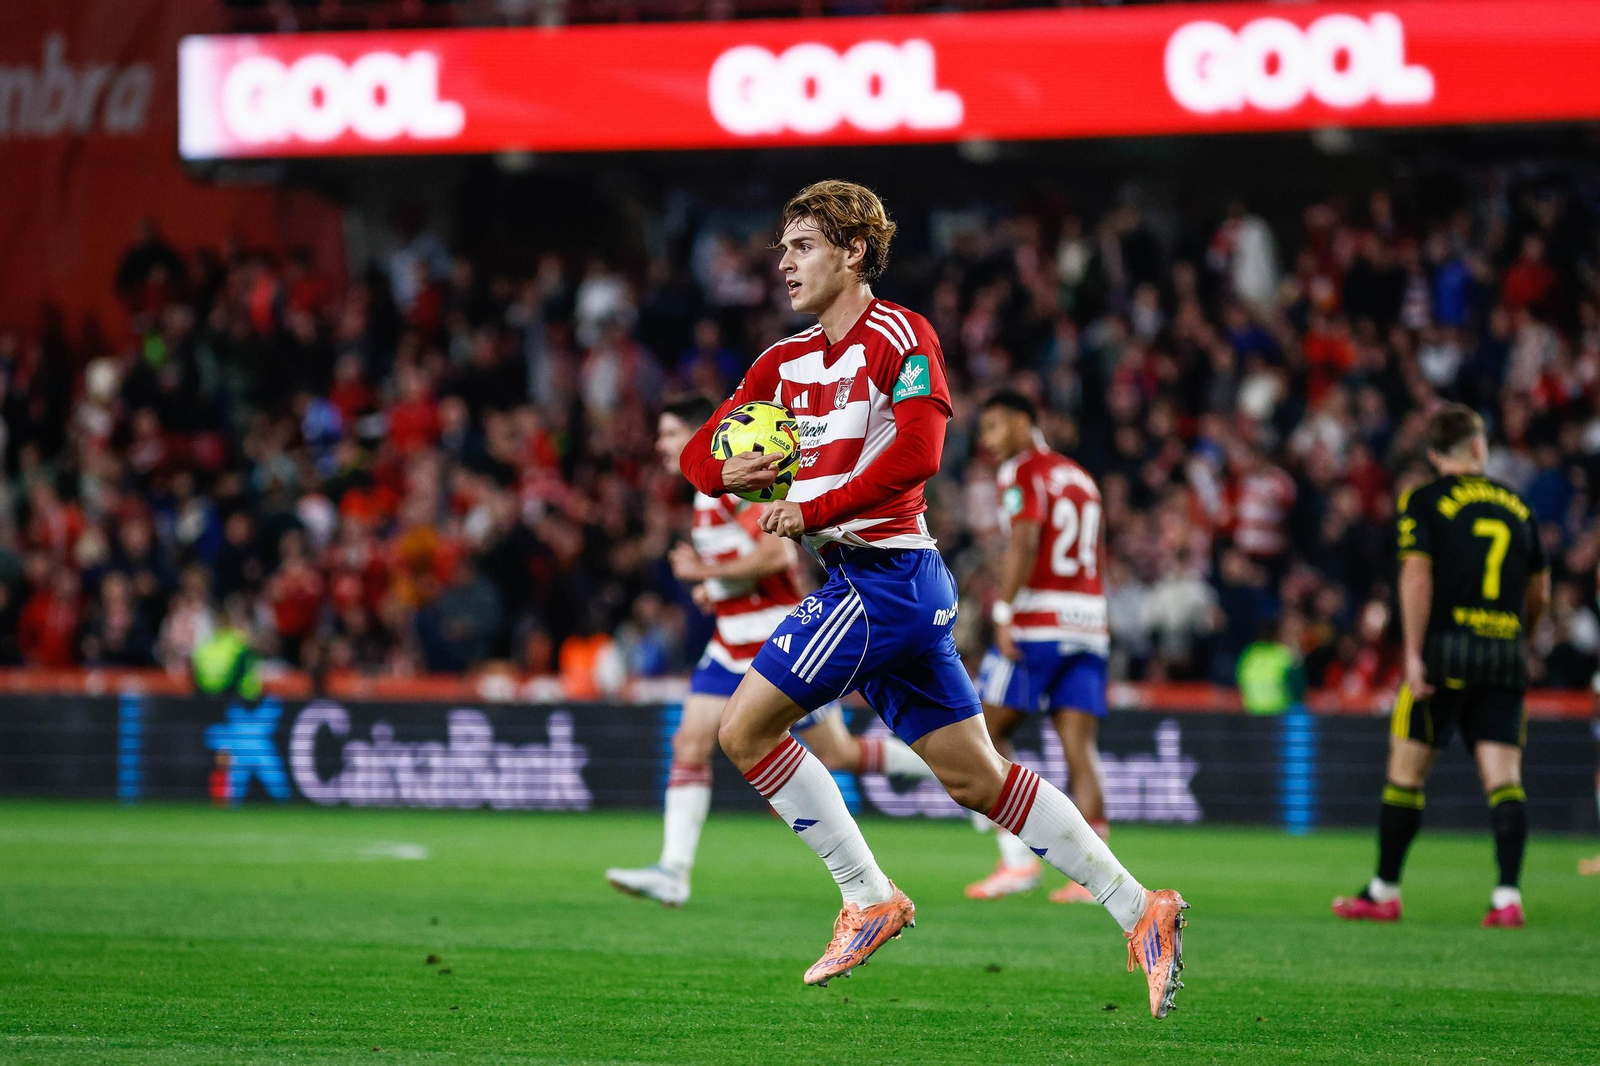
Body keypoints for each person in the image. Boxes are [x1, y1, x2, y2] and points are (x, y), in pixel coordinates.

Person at [679, 180, 1186, 1018]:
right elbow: (699, 453)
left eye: (802, 244)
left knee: (742, 729)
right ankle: (1142, 910)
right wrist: (724, 472)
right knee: (979, 780)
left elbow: (918, 451)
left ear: (852, 251)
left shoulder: (901, 336)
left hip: (887, 577)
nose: (784, 262)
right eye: (782, 246)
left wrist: (809, 507)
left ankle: (866, 895)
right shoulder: (782, 361)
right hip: (876, 586)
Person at [606, 396, 937, 908]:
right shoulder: (707, 493)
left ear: (701, 436)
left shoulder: (735, 491)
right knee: (690, 744)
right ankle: (673, 870)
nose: (662, 444)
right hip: (729, 637)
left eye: (672, 433)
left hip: (770, 634)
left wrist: (705, 575)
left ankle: (947, 771)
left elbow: (775, 553)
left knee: (839, 754)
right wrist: (714, 591)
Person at [1333, 403, 1550, 927]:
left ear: (1433, 454)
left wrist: (1411, 653)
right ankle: (1506, 897)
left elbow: (1415, 576)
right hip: (1502, 657)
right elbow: (1539, 589)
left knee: (1406, 772)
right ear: (1479, 447)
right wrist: (1523, 638)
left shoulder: (1423, 501)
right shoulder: (1517, 507)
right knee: (1504, 778)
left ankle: (1384, 889)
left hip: (1444, 656)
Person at [965, 390, 1113, 905]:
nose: (988, 440)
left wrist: (1004, 611)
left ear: (1025, 423)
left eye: (995, 427)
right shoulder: (1081, 477)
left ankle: (1018, 863)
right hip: (1089, 623)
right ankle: (1093, 877)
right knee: (1079, 747)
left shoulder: (1020, 472)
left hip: (1039, 623)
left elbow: (1024, 543)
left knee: (981, 734)